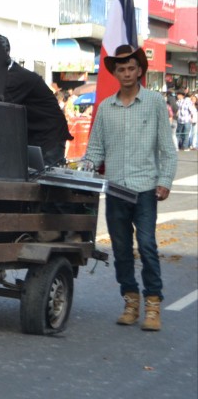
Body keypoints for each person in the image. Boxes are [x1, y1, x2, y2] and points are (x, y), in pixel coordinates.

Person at [83, 45, 177, 332]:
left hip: (146, 188)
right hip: (115, 191)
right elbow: (95, 149)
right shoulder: (105, 108)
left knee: (147, 246)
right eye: (121, 69)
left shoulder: (154, 103)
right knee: (122, 250)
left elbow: (167, 149)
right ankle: (131, 302)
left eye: (131, 68)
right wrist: (82, 170)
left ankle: (152, 305)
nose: (126, 73)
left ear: (140, 71)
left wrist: (165, 181)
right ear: (115, 73)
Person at [0, 34, 73, 166]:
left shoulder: (16, 78)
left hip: (48, 137)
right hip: (35, 135)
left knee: (45, 179)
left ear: (6, 53)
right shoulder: (6, 75)